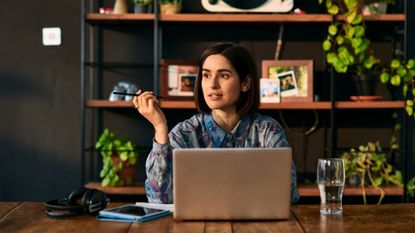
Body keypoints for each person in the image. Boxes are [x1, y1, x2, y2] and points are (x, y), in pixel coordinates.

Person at [133, 42, 300, 204]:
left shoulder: (267, 131)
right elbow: (159, 198)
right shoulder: (185, 133)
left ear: (246, 83)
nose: (212, 85)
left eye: (223, 75)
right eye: (206, 75)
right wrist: (160, 128)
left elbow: (288, 193)